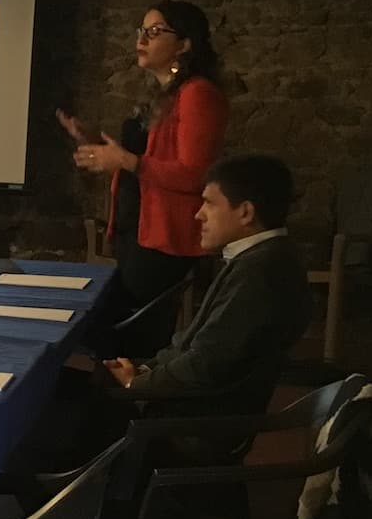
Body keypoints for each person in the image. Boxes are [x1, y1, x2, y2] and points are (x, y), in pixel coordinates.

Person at [59, 0, 228, 355]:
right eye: (141, 31)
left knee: (117, 338)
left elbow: (195, 174)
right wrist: (97, 145)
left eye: (155, 31)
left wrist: (125, 160)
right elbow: (147, 159)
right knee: (111, 333)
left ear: (184, 44)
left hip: (163, 238)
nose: (143, 38)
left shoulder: (198, 94)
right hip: (136, 230)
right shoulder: (162, 95)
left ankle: (124, 400)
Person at [104, 154, 313, 412]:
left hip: (186, 423)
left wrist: (136, 384)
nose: (198, 215)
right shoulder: (265, 258)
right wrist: (145, 369)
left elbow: (206, 363)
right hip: (191, 405)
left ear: (245, 212)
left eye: (209, 204)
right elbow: (196, 346)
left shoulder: (259, 272)